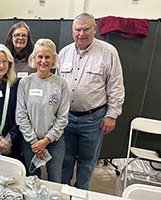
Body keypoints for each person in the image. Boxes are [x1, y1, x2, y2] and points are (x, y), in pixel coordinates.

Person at [50, 13, 124, 189]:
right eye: (77, 29)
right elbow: (56, 86)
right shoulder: (64, 53)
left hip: (94, 119)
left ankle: (81, 191)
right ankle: (64, 189)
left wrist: (112, 115)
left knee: (87, 161)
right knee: (65, 158)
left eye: (86, 29)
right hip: (66, 118)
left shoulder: (108, 52)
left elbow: (116, 86)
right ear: (72, 30)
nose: (81, 34)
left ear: (95, 29)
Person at [15, 39, 68, 176]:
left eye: (47, 57)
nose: (43, 61)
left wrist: (46, 141)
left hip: (54, 142)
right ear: (34, 58)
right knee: (33, 180)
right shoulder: (25, 82)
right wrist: (34, 142)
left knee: (55, 179)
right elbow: (21, 115)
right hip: (30, 143)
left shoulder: (61, 84)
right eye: (40, 57)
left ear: (53, 59)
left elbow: (62, 117)